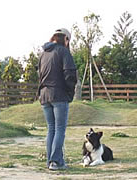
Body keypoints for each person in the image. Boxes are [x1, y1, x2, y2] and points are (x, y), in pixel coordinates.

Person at [38, 28, 77, 170]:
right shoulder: (64, 52)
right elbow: (70, 74)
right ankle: (56, 162)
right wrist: (69, 93)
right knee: (59, 129)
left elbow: (40, 75)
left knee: (51, 129)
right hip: (59, 95)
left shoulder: (43, 54)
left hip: (44, 94)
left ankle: (52, 161)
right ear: (65, 39)